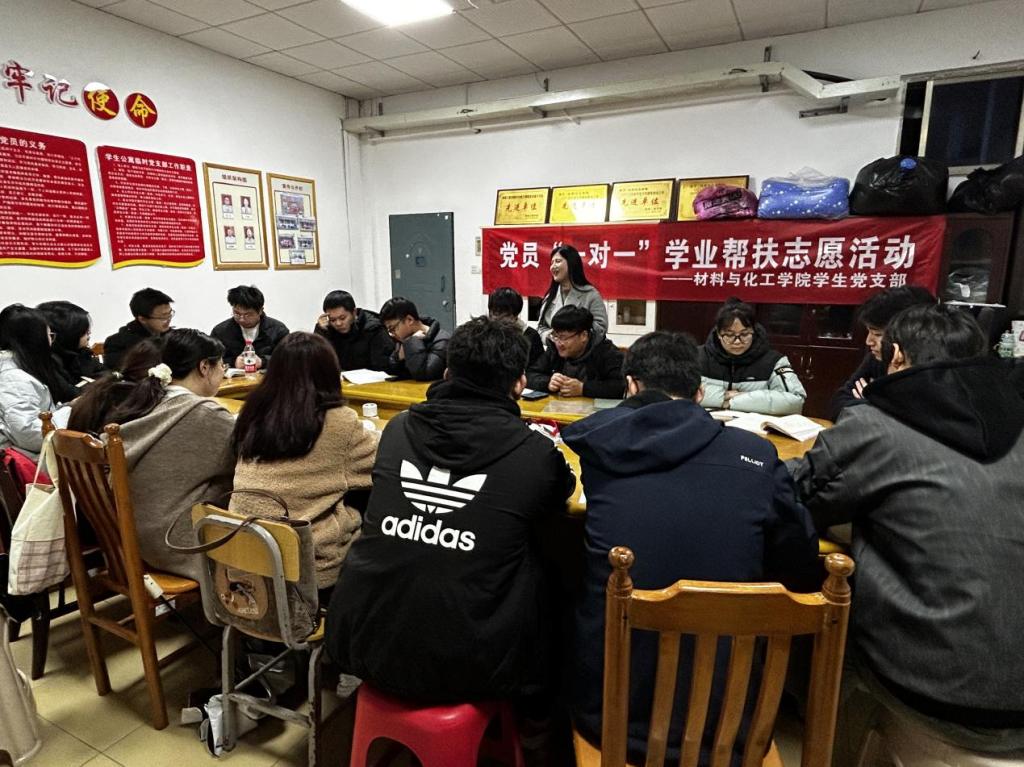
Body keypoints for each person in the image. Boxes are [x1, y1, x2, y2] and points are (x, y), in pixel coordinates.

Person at [562, 331, 818, 765]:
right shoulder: (755, 455)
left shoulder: (600, 450)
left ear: (631, 385)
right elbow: (799, 559)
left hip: (610, 719)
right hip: (733, 729)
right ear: (699, 393)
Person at [790, 304, 1024, 762]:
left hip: (939, 693)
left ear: (896, 356)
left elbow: (799, 495)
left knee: (824, 622)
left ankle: (829, 746)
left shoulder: (878, 425)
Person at [326, 316, 574, 705]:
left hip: (359, 640)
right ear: (519, 383)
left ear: (446, 372)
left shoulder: (398, 429)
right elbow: (563, 491)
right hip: (469, 663)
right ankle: (540, 720)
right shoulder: (535, 453)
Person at [68, 329, 234, 581]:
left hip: (136, 538)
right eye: (222, 365)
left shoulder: (146, 400)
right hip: (179, 544)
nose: (223, 371)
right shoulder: (204, 414)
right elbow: (246, 459)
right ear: (204, 367)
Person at [231, 332, 378, 592]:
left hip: (246, 558)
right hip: (307, 569)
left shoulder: (252, 412)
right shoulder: (337, 420)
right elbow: (380, 460)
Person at [828, 285, 935, 421]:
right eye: (869, 332)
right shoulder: (877, 358)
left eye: (877, 334)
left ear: (909, 332)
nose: (868, 341)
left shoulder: (934, 372)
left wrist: (872, 406)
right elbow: (837, 402)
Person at [698, 297, 806, 415]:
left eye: (744, 334)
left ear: (754, 331)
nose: (737, 342)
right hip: (706, 423)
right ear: (719, 334)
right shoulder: (697, 356)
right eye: (729, 335)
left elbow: (796, 400)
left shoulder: (774, 361)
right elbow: (682, 393)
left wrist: (737, 401)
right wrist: (721, 397)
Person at [0, 305, 67, 457]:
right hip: (26, 461)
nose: (51, 342)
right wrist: (71, 412)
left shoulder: (16, 369)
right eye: (50, 336)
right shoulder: (13, 379)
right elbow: (31, 436)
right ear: (35, 340)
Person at [526, 306, 624, 398]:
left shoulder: (606, 353)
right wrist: (548, 382)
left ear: (583, 336)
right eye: (555, 336)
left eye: (563, 337)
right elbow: (530, 374)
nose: (558, 343)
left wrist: (583, 388)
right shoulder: (554, 349)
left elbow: (620, 386)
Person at [536, 244, 608, 341]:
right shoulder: (551, 296)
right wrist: (550, 337)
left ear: (571, 263)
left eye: (558, 261)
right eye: (552, 263)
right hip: (555, 349)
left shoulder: (590, 294)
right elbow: (540, 327)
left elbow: (601, 329)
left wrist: (574, 338)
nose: (553, 266)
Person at [37, 300, 107, 399]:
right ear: (70, 333)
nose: (89, 333)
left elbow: (107, 375)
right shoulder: (48, 362)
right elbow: (69, 395)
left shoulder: (82, 353)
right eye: (84, 330)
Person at [210, 285, 289, 370]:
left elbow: (287, 359)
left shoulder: (278, 330)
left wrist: (263, 362)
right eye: (237, 313)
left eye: (248, 315)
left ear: (260, 311)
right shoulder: (220, 331)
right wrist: (233, 362)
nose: (242, 319)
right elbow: (211, 360)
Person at [313, 290, 393, 371]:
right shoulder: (327, 329)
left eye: (342, 318)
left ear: (354, 313)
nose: (338, 323)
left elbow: (382, 365)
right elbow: (316, 361)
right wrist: (320, 331)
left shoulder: (374, 328)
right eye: (333, 320)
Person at [379, 296, 450, 381]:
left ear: (409, 320)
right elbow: (390, 369)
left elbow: (424, 374)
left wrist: (413, 343)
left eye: (393, 328)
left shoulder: (442, 340)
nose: (392, 334)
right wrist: (399, 358)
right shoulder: (404, 339)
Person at [102, 288, 174, 371]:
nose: (168, 319)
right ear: (142, 319)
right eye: (163, 317)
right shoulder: (117, 343)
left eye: (170, 313)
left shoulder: (173, 337)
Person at [488, 287, 543, 367]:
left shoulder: (531, 336)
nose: (498, 319)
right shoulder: (484, 334)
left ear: (515, 315)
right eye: (495, 313)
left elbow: (538, 369)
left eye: (505, 315)